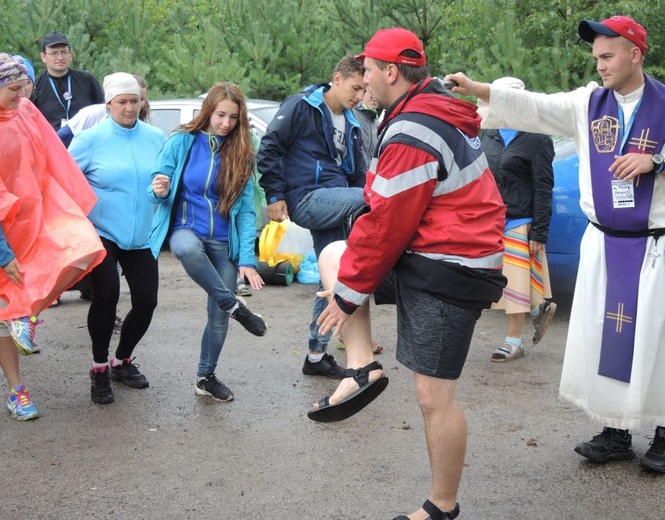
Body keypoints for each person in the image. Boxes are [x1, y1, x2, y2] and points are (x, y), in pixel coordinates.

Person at [448, 15, 665, 474]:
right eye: (596, 57)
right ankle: (614, 430)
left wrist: (657, 162)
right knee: (604, 337)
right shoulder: (587, 102)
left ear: (636, 53)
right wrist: (479, 89)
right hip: (606, 247)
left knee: (659, 340)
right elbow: (533, 106)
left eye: (608, 56)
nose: (600, 65)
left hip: (657, 249)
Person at [311, 28, 507, 519]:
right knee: (336, 255)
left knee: (433, 396)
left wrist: (347, 298)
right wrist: (351, 286)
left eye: (369, 71)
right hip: (431, 252)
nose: (364, 81)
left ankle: (442, 507)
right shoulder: (418, 113)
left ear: (391, 72)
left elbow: (387, 226)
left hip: (453, 267)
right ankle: (362, 367)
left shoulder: (414, 129)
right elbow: (382, 213)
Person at [0, 54, 105, 419]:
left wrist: (73, 201)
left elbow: (55, 154)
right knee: (1, 317)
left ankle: (27, 315)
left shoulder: (26, 111)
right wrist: (2, 252)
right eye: (13, 89)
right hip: (4, 230)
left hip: (38, 214)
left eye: (22, 87)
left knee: (84, 247)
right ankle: (17, 391)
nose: (20, 94)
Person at [148, 82, 267, 402]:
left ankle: (206, 376)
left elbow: (244, 213)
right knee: (186, 249)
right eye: (220, 115)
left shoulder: (243, 150)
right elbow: (156, 185)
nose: (225, 123)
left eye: (232, 117)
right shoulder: (182, 141)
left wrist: (246, 259)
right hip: (187, 228)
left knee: (217, 317)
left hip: (222, 243)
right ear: (208, 111)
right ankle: (234, 306)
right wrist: (158, 190)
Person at [257, 55, 368, 380]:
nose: (359, 97)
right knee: (373, 195)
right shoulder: (301, 106)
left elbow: (357, 172)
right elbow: (270, 147)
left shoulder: (353, 122)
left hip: (334, 200)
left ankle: (316, 355)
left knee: (332, 277)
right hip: (305, 197)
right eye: (355, 87)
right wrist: (274, 195)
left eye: (363, 90)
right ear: (337, 78)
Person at [69, 73, 166, 404]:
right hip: (102, 231)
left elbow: (164, 181)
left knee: (147, 301)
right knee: (107, 294)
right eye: (122, 102)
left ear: (142, 102)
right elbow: (66, 182)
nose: (129, 108)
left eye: (134, 101)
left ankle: (121, 362)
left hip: (141, 234)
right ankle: (98, 368)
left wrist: (162, 192)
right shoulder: (90, 139)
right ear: (108, 104)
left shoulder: (155, 138)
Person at [480, 77, 557, 362]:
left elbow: (543, 186)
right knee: (502, 281)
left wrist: (539, 231)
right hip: (490, 221)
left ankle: (513, 342)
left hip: (520, 220)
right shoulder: (487, 132)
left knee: (512, 284)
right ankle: (538, 309)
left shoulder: (537, 137)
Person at [32, 32, 104, 131]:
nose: (60, 58)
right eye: (54, 53)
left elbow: (101, 111)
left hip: (86, 140)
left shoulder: (87, 80)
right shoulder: (36, 86)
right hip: (52, 142)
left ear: (70, 54)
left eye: (64, 52)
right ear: (43, 57)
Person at [57, 74, 150, 148]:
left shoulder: (149, 132)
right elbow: (55, 141)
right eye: (123, 101)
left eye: (137, 100)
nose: (130, 108)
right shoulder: (91, 115)